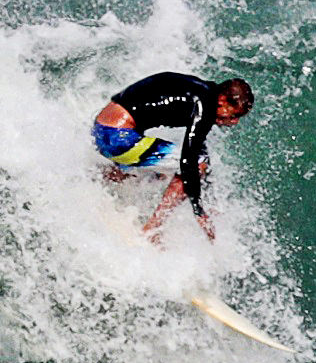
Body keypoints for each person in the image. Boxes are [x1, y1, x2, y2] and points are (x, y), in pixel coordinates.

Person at [91, 71, 253, 239]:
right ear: (222, 100)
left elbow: (198, 150)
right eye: (235, 115)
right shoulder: (205, 106)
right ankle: (152, 230)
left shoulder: (202, 92)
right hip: (116, 137)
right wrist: (199, 211)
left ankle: (100, 176)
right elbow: (190, 161)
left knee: (167, 171)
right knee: (193, 166)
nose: (235, 122)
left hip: (102, 131)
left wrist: (208, 195)